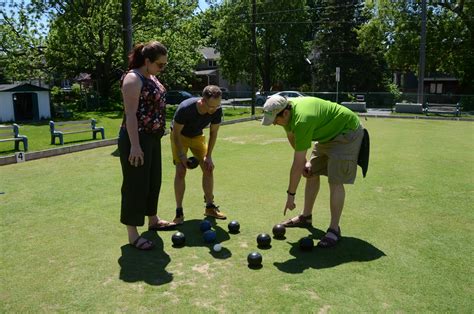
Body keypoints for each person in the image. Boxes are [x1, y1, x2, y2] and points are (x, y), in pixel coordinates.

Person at [261, 95, 365, 248]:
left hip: (346, 132)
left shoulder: (302, 119)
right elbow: (292, 137)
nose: (275, 124)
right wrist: (306, 163)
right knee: (311, 172)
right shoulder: (286, 112)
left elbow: (296, 164)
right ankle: (306, 217)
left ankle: (334, 229)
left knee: (335, 181)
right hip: (326, 135)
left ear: (285, 113)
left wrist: (291, 195)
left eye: (275, 120)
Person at [118, 41, 176, 251]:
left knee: (153, 181)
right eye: (160, 65)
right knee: (135, 184)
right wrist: (134, 146)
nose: (163, 68)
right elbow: (130, 115)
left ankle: (153, 219)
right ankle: (133, 234)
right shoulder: (133, 79)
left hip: (152, 138)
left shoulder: (151, 77)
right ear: (147, 61)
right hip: (136, 139)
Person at [170, 85, 227, 224]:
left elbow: (213, 133)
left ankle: (209, 206)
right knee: (181, 171)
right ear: (202, 100)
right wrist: (182, 155)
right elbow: (176, 133)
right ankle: (179, 212)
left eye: (217, 105)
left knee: (208, 167)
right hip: (180, 137)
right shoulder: (185, 108)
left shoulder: (217, 110)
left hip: (197, 137)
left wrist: (209, 155)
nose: (214, 109)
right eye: (211, 106)